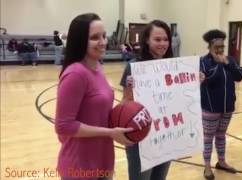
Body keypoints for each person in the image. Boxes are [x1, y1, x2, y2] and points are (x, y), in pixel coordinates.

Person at [55, 13, 133, 180]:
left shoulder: (97, 66)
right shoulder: (75, 74)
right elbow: (63, 126)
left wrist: (127, 97)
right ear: (80, 40)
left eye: (104, 36)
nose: (103, 42)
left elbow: (101, 115)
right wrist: (110, 133)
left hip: (102, 160)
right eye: (95, 37)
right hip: (80, 165)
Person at [120, 20, 173, 180]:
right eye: (157, 39)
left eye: (165, 39)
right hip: (140, 138)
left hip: (165, 135)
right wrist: (129, 90)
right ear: (147, 41)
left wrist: (194, 80)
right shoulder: (134, 67)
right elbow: (124, 106)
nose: (162, 43)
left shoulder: (173, 66)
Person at [199, 29, 242, 180]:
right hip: (210, 108)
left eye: (222, 47)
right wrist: (219, 65)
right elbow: (208, 80)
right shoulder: (203, 62)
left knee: (221, 135)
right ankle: (207, 166)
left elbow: (239, 76)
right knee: (208, 137)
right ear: (210, 46)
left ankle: (222, 162)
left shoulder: (230, 60)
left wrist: (227, 63)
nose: (220, 50)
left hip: (227, 107)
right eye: (217, 47)